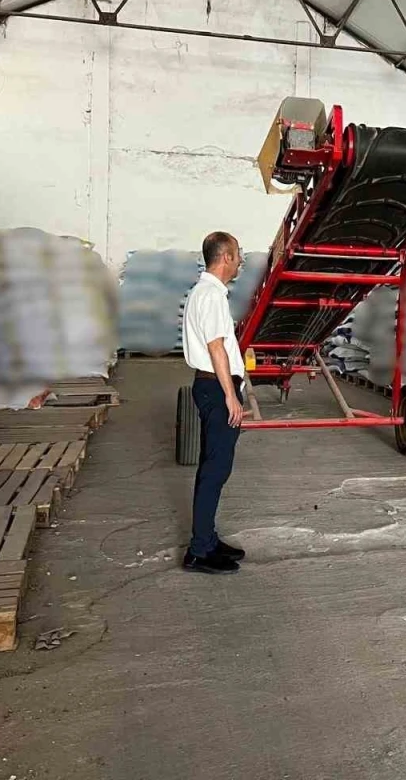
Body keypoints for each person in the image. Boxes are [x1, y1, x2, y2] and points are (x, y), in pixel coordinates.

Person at [182, 231, 249, 575]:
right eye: (238, 254)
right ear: (226, 257)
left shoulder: (208, 292)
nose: (241, 261)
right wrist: (230, 395)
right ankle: (199, 550)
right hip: (215, 387)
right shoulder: (210, 295)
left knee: (214, 468)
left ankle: (207, 540)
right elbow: (216, 348)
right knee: (215, 471)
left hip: (212, 385)